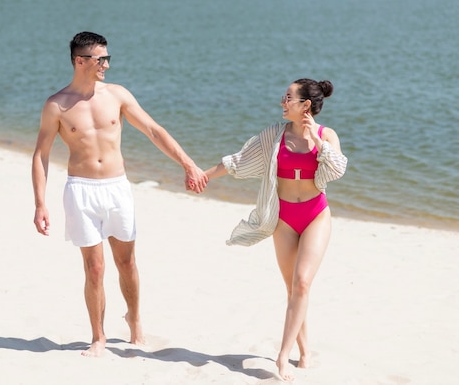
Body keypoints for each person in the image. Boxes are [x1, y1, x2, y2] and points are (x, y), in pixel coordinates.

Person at [31, 31, 208, 357]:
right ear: (80, 61)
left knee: (126, 262)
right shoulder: (57, 105)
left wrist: (189, 164)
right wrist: (40, 203)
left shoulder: (117, 95)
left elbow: (154, 130)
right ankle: (98, 336)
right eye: (102, 59)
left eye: (108, 58)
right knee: (94, 268)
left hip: (117, 188)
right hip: (81, 190)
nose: (107, 66)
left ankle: (135, 320)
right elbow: (41, 155)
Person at [204, 78, 347, 381]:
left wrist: (316, 142)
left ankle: (283, 356)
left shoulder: (327, 135)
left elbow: (336, 169)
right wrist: (204, 176)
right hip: (284, 219)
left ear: (305, 105)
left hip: (315, 215)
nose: (282, 102)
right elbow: (239, 161)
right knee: (293, 288)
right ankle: (305, 353)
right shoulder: (274, 135)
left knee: (303, 283)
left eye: (288, 98)